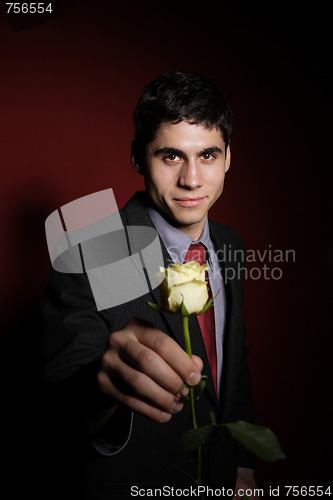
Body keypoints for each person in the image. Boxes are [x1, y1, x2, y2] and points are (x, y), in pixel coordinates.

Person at [39, 72, 257, 499]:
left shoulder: (231, 243)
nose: (192, 180)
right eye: (172, 156)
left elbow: (233, 365)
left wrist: (242, 461)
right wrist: (103, 388)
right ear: (139, 157)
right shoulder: (98, 248)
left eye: (208, 155)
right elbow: (60, 405)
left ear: (228, 157)